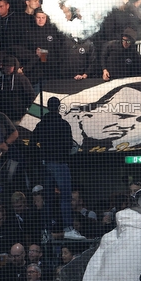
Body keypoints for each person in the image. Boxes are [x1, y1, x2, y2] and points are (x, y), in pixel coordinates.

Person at [31, 97, 83, 240]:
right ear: (59, 107)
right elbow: (69, 145)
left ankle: (46, 231)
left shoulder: (41, 125)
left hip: (45, 164)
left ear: (48, 107)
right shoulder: (63, 124)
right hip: (60, 164)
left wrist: (41, 155)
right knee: (65, 197)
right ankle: (68, 228)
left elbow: (31, 144)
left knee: (47, 198)